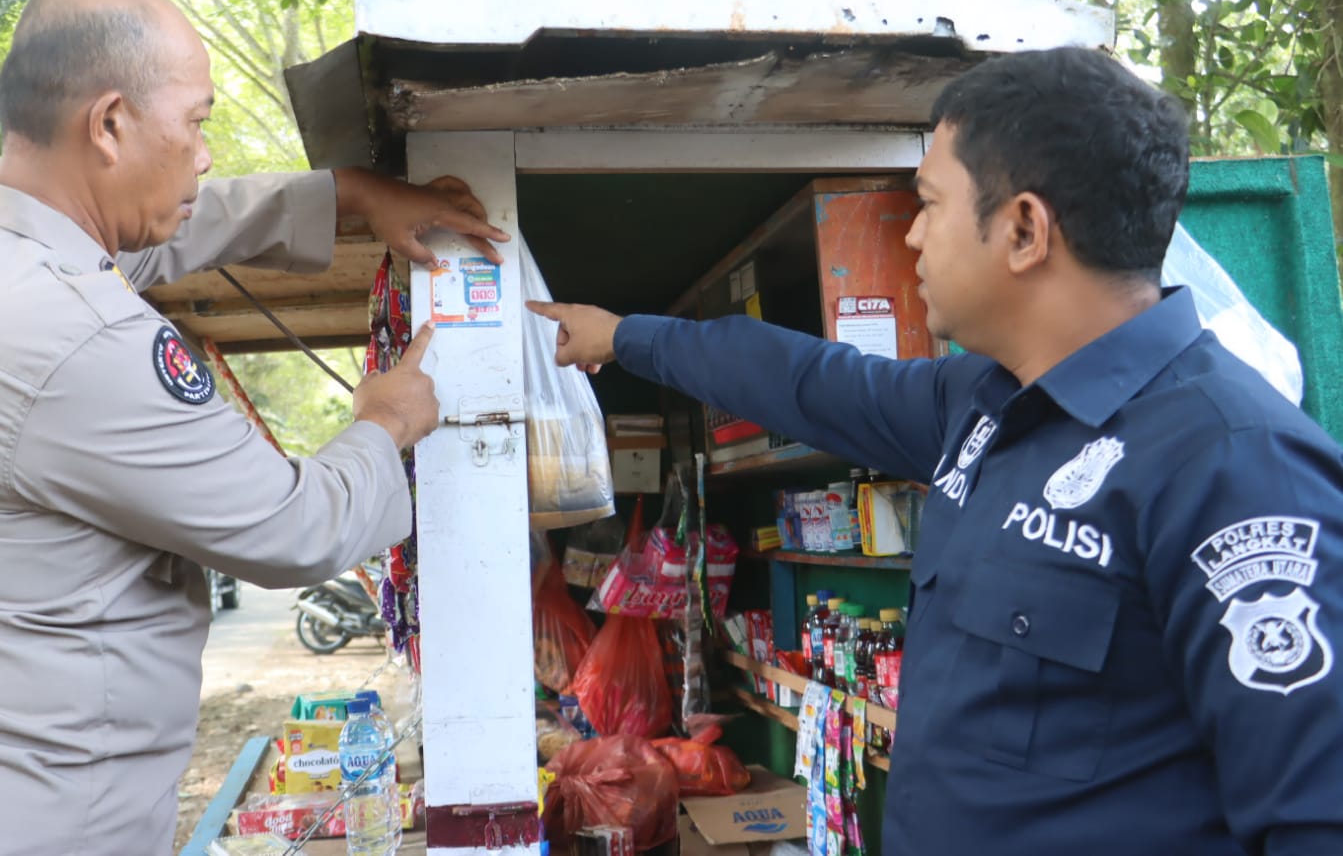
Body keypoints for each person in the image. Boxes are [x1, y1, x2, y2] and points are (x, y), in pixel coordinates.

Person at [531, 47, 1343, 854]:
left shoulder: (1235, 467)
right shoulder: (983, 407)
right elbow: (808, 379)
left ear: (1024, 228)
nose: (912, 235)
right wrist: (626, 337)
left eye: (928, 203)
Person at [0, 0, 508, 856]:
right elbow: (296, 529)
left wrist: (353, 193)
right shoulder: (72, 337)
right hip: (7, 827)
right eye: (197, 121)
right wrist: (387, 419)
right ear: (109, 123)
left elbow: (166, 234)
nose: (205, 155)